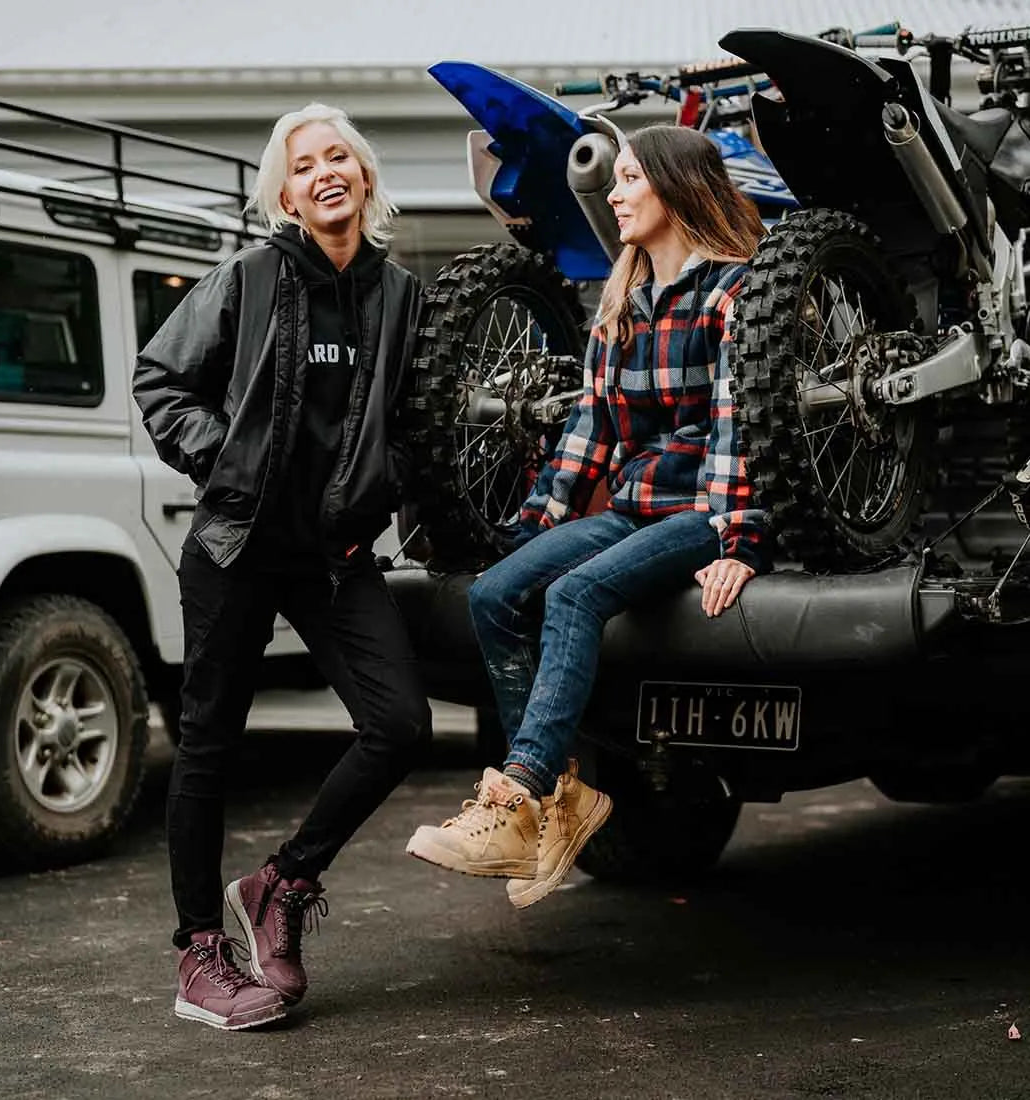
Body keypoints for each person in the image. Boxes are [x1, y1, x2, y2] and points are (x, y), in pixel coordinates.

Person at [406, 123, 768, 909]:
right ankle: (563, 801)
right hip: (637, 511)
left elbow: (739, 429)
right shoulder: (622, 306)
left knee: (574, 595)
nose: (615, 193)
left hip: (703, 511)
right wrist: (528, 534)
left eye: (631, 178)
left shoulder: (735, 293)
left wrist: (738, 541)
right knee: (496, 594)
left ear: (677, 187)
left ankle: (522, 796)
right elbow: (587, 437)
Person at [133, 103, 432, 1031]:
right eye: (304, 166)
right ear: (286, 194)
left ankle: (282, 884)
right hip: (237, 547)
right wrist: (225, 461)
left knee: (401, 725)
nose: (324, 173)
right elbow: (160, 379)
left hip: (335, 556)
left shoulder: (401, 295)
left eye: (339, 157)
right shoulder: (251, 277)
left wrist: (395, 486)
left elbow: (414, 420)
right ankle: (199, 954)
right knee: (209, 743)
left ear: (365, 176)